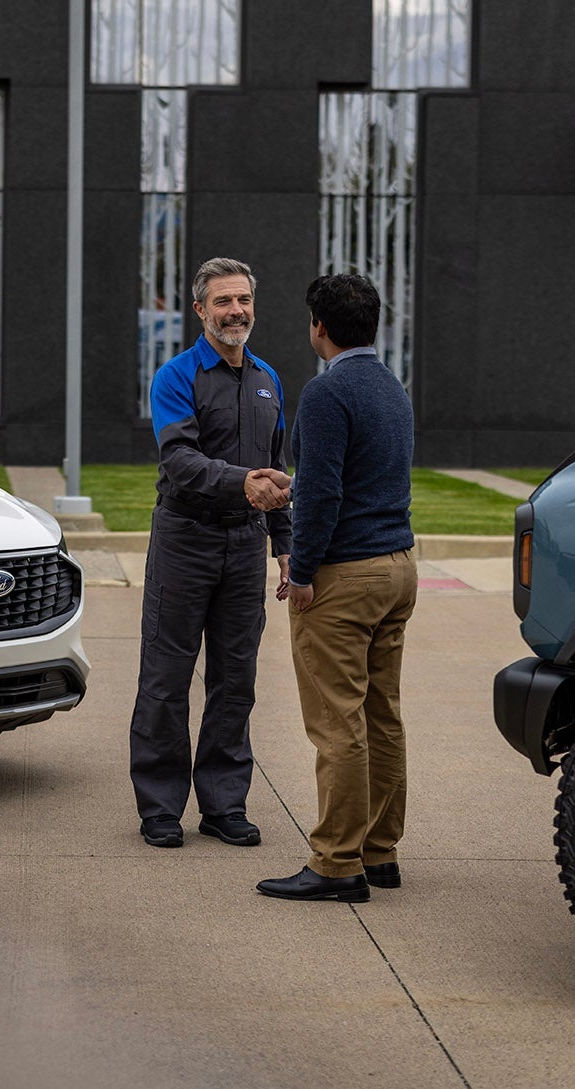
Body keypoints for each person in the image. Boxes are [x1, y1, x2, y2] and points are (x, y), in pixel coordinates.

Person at [256, 273, 417, 903]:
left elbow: (326, 495)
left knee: (337, 724)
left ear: (318, 327)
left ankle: (335, 863)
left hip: (346, 576)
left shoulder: (326, 392)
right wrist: (295, 483)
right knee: (382, 716)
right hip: (397, 568)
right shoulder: (390, 387)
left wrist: (300, 572)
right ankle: (379, 852)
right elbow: (360, 476)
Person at [130, 257, 294, 849]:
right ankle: (160, 806)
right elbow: (178, 459)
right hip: (185, 541)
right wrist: (241, 482)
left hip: (245, 546)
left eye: (243, 299)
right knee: (166, 677)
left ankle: (224, 805)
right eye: (223, 301)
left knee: (236, 679)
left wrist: (284, 545)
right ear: (200, 309)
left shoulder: (268, 379)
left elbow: (277, 469)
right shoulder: (176, 376)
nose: (235, 311)